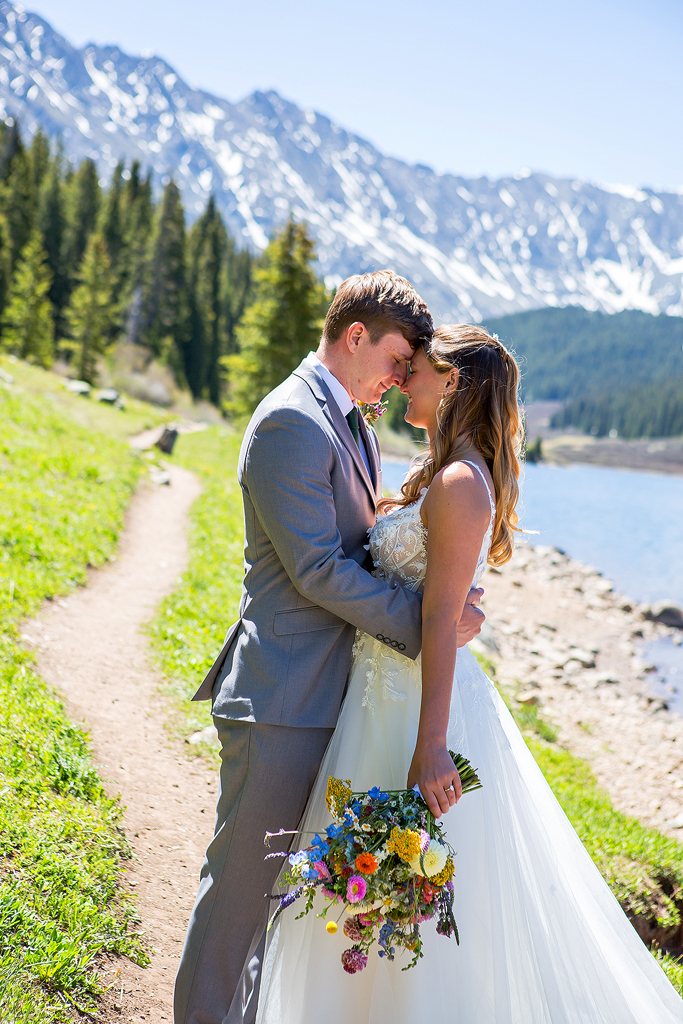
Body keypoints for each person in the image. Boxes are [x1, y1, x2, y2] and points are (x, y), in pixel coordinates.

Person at [255, 325, 683, 1024]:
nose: (401, 380)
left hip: (412, 707)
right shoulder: (443, 472)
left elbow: (438, 625)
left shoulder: (459, 483)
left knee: (404, 896)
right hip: (374, 698)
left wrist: (428, 748)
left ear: (451, 382)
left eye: (414, 369)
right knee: (367, 888)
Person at [174, 273, 486, 1024]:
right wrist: (428, 620)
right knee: (243, 895)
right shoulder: (291, 422)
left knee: (284, 898)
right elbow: (316, 569)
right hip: (282, 696)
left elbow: (357, 543)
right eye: (396, 358)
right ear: (354, 338)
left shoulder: (347, 422)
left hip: (330, 697)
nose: (401, 376)